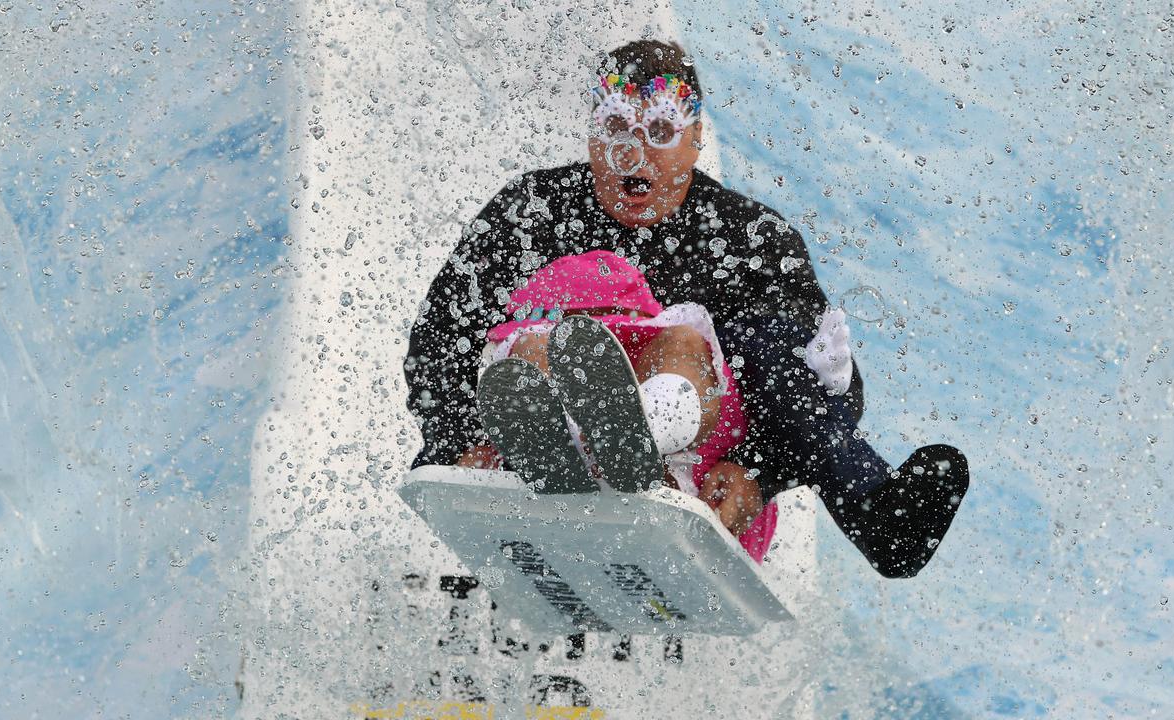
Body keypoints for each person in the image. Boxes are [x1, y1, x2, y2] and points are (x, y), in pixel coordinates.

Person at [404, 39, 968, 578]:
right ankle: (561, 441)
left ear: (696, 138)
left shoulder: (747, 240)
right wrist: (453, 441)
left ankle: (652, 443)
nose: (633, 152)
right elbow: (439, 338)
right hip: (532, 462)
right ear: (591, 134)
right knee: (536, 345)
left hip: (693, 477)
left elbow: (832, 394)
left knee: (710, 346)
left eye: (658, 131)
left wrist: (756, 473)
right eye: (615, 128)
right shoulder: (531, 213)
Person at [463, 250, 776, 559]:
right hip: (572, 500)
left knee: (683, 342)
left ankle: (638, 428)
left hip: (679, 502)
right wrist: (468, 473)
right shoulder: (503, 404)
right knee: (534, 348)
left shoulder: (686, 353)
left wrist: (756, 480)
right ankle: (576, 433)